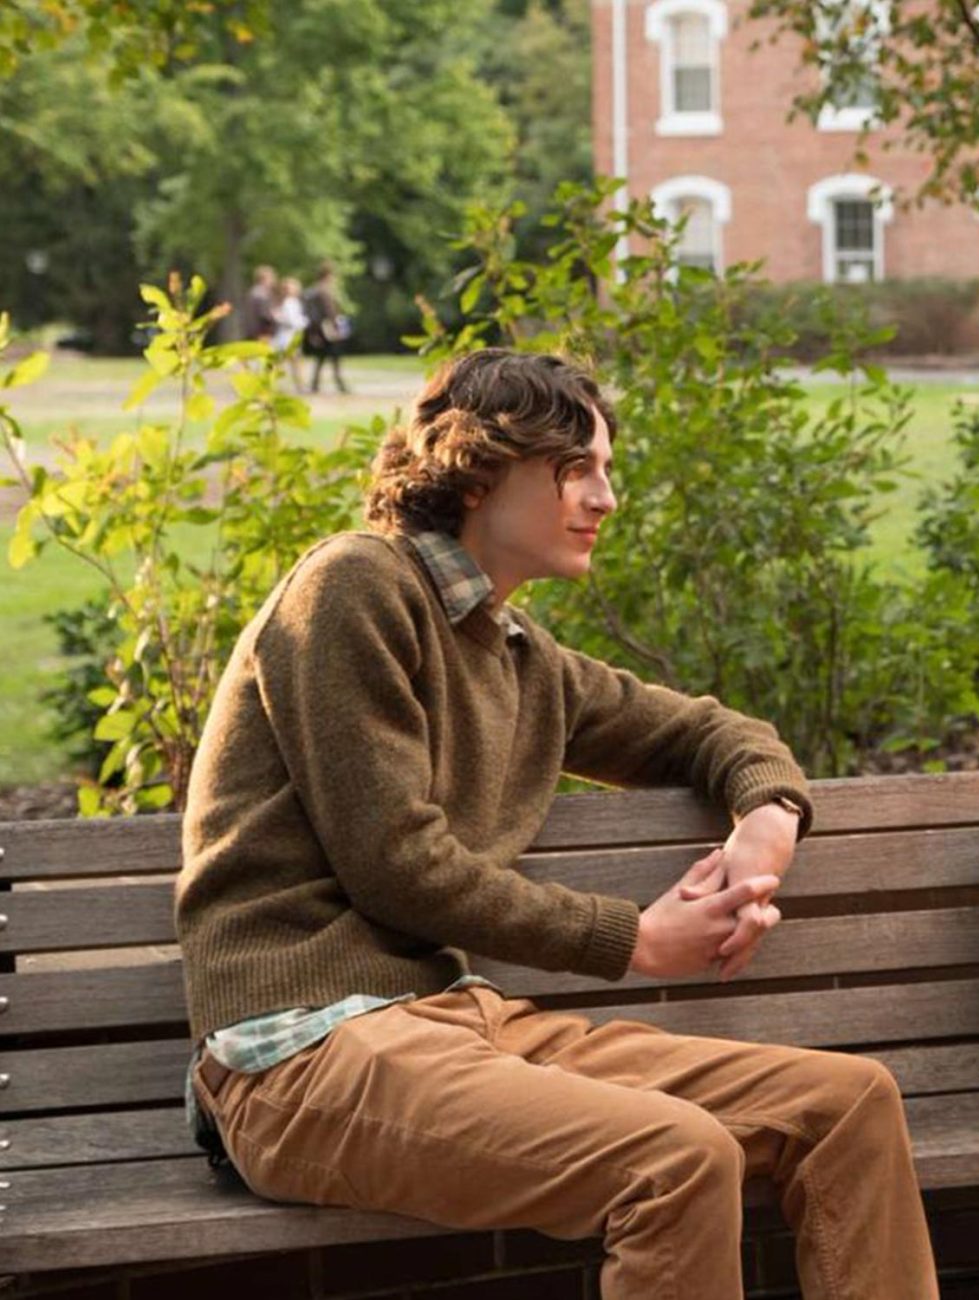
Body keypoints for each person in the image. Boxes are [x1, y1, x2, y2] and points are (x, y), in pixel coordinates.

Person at [177, 350, 939, 1299]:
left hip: (455, 1024)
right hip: (299, 1057)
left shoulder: (520, 655)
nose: (606, 498)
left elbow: (713, 731)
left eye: (606, 471)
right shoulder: (353, 588)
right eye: (578, 469)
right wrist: (637, 941)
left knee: (848, 1105)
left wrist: (769, 818)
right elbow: (396, 865)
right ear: (480, 467)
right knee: (677, 1157)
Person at [303, 259, 350, 394]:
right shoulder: (324, 291)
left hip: (319, 328)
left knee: (322, 356)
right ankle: (339, 384)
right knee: (334, 355)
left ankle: (315, 384)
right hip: (328, 328)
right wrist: (337, 325)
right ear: (328, 275)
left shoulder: (314, 290)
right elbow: (329, 311)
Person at [272, 276, 309, 392]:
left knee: (292, 363)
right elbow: (292, 321)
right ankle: (300, 386)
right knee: (291, 363)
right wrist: (304, 322)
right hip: (288, 337)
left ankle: (300, 386)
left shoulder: (291, 302)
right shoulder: (289, 302)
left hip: (290, 336)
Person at [243, 265, 278, 343]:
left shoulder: (253, 292)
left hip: (252, 332)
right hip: (261, 333)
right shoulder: (261, 294)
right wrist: (276, 317)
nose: (273, 281)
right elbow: (265, 315)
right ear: (264, 279)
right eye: (272, 278)